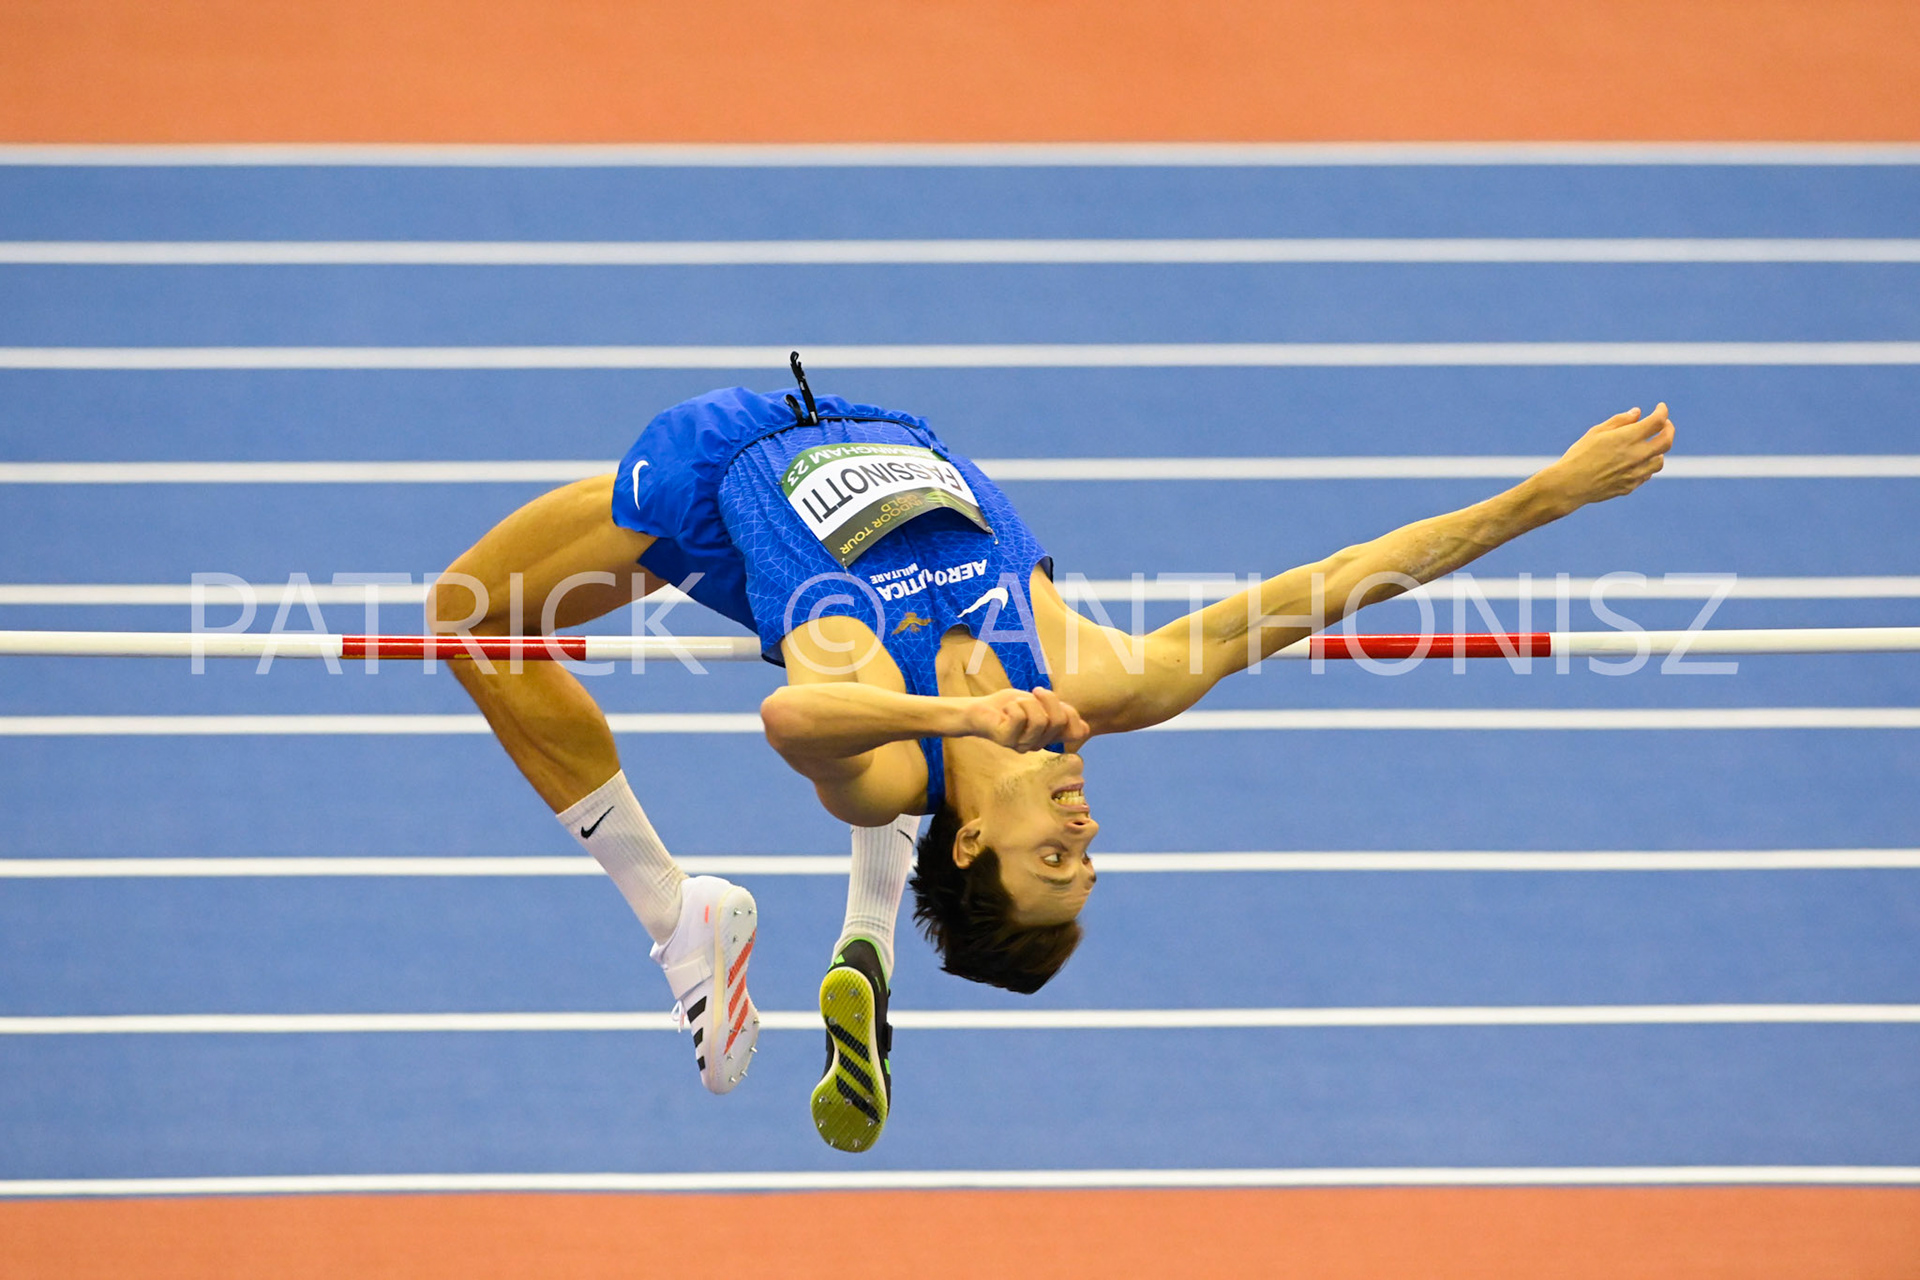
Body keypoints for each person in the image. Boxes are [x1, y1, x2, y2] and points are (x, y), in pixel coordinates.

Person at [427, 357, 1674, 1147]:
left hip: (720, 475)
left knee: (467, 617)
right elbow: (1330, 585)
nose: (1083, 823)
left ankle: (678, 916)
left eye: (1051, 852)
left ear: (974, 839)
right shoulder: (1099, 680)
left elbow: (793, 722)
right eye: (1091, 851)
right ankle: (866, 935)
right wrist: (1548, 495)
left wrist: (961, 719)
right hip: (872, 421)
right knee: (929, 720)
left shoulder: (875, 722)